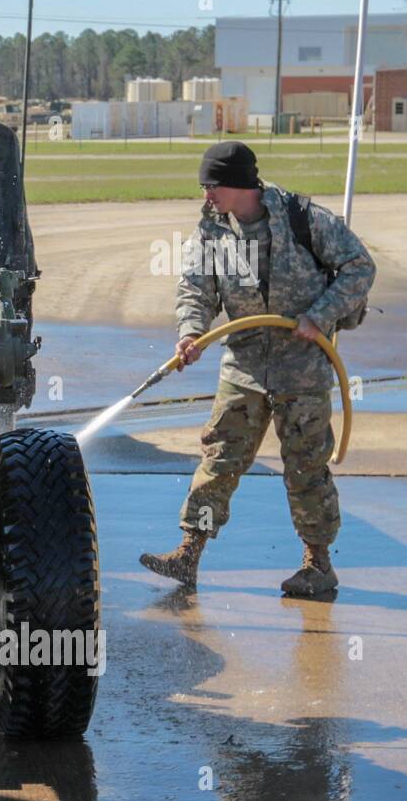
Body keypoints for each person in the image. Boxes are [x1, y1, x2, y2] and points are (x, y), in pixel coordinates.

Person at [140, 141, 375, 596]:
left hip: (303, 367)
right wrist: (191, 331)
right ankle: (189, 553)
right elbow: (195, 286)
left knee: (306, 467)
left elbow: (359, 267)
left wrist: (320, 315)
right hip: (244, 365)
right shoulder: (211, 230)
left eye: (212, 185)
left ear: (239, 184)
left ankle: (317, 564)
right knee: (219, 460)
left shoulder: (304, 218)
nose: (206, 194)